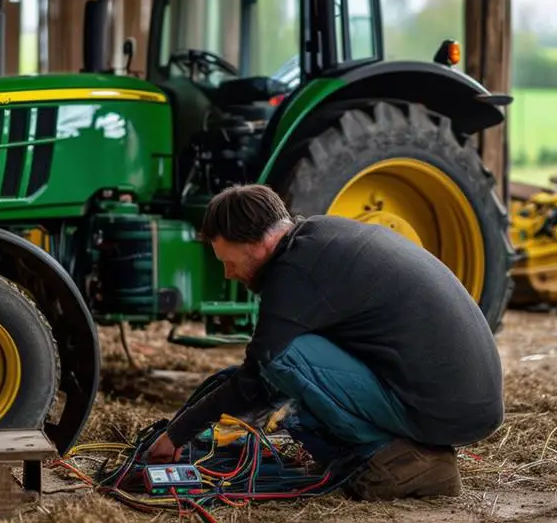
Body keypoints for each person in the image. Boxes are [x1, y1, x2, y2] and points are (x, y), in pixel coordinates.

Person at [143, 183, 505, 501]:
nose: (229, 273)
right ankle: (414, 454)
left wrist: (177, 435)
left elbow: (259, 373)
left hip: (448, 408)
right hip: (462, 399)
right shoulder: (319, 239)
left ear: (256, 241)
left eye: (229, 260)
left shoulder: (295, 274)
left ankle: (395, 460)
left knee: (283, 361)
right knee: (293, 398)